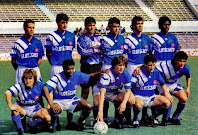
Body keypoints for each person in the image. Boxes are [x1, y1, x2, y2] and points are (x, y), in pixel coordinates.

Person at [43, 59, 107, 132]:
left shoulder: (76, 75)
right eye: (68, 69)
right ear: (64, 69)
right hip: (59, 101)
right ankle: (54, 124)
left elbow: (90, 76)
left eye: (72, 68)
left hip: (72, 100)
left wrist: (100, 72)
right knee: (54, 109)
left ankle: (78, 124)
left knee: (88, 106)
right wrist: (51, 104)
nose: (71, 71)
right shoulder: (57, 77)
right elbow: (45, 88)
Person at [131, 54, 173, 128]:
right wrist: (131, 95)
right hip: (139, 97)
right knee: (138, 104)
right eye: (150, 65)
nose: (152, 67)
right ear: (145, 64)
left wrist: (166, 93)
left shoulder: (156, 72)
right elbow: (129, 85)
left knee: (167, 102)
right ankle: (135, 119)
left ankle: (152, 118)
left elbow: (163, 83)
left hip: (151, 98)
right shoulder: (138, 72)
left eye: (153, 65)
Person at [93, 55, 135, 129]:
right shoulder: (107, 74)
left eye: (123, 65)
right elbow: (102, 94)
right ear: (114, 65)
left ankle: (118, 120)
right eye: (119, 65)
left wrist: (124, 103)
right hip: (101, 91)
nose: (121, 67)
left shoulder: (125, 74)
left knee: (130, 100)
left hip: (114, 91)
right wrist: (100, 112)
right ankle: (98, 119)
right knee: (97, 103)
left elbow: (128, 91)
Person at [124, 16, 152, 125]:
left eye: (141, 23)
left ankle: (143, 117)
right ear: (133, 26)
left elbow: (149, 54)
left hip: (144, 67)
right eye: (138, 24)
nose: (140, 25)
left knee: (144, 90)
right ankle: (128, 118)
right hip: (132, 67)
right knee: (130, 91)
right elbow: (123, 55)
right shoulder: (128, 39)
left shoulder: (146, 39)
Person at [5, 69, 51, 135]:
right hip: (22, 108)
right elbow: (7, 93)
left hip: (35, 108)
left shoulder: (39, 85)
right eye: (25, 78)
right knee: (14, 109)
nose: (28, 81)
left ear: (34, 79)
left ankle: (31, 124)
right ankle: (20, 129)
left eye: (30, 78)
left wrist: (47, 108)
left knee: (47, 117)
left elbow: (50, 94)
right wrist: (10, 106)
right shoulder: (19, 86)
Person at [156, 51, 191, 125]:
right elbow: (152, 65)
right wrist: (166, 92)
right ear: (175, 60)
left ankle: (174, 118)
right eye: (180, 61)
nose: (182, 63)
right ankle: (161, 118)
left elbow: (188, 76)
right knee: (169, 100)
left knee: (184, 99)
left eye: (184, 61)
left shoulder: (185, 67)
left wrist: (188, 88)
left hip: (174, 83)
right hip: (163, 84)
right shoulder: (165, 66)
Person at [10, 19, 44, 84]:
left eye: (33, 28)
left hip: (34, 70)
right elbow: (13, 60)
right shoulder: (18, 43)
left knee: (36, 92)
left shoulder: (38, 43)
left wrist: (33, 69)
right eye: (29, 27)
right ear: (24, 28)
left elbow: (40, 59)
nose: (32, 29)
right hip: (22, 71)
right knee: (21, 92)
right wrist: (21, 69)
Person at [45, 13, 76, 78]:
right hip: (57, 67)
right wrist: (53, 63)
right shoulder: (51, 36)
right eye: (62, 23)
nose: (65, 25)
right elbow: (48, 52)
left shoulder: (72, 36)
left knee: (70, 88)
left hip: (69, 67)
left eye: (66, 22)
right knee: (55, 88)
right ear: (57, 23)